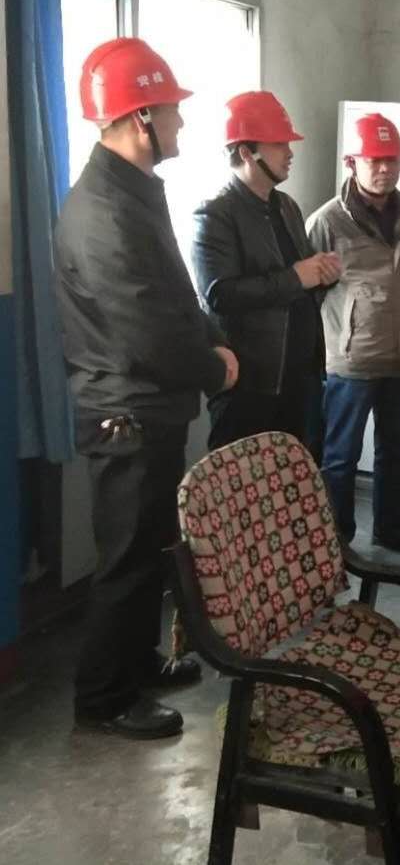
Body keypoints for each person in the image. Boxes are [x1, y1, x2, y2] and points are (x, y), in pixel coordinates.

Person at [55, 38, 238, 739]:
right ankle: (103, 699)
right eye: (170, 110)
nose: (179, 122)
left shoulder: (130, 193)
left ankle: (136, 664)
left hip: (147, 408)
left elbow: (173, 294)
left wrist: (210, 337)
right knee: (128, 560)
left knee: (152, 547)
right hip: (124, 412)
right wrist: (214, 368)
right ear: (140, 119)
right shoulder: (103, 211)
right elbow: (144, 331)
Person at [306, 113, 400, 555]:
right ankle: (338, 540)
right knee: (340, 456)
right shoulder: (327, 222)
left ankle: (392, 529)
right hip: (351, 361)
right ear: (352, 163)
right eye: (374, 160)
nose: (384, 169)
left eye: (392, 160)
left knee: (398, 450)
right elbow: (308, 296)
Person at [193, 91, 338, 451]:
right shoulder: (215, 214)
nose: (290, 152)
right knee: (240, 482)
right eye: (279, 144)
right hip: (250, 386)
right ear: (246, 152)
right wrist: (296, 277)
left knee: (294, 479)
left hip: (298, 380)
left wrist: (323, 275)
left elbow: (302, 282)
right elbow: (220, 294)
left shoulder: (286, 206)